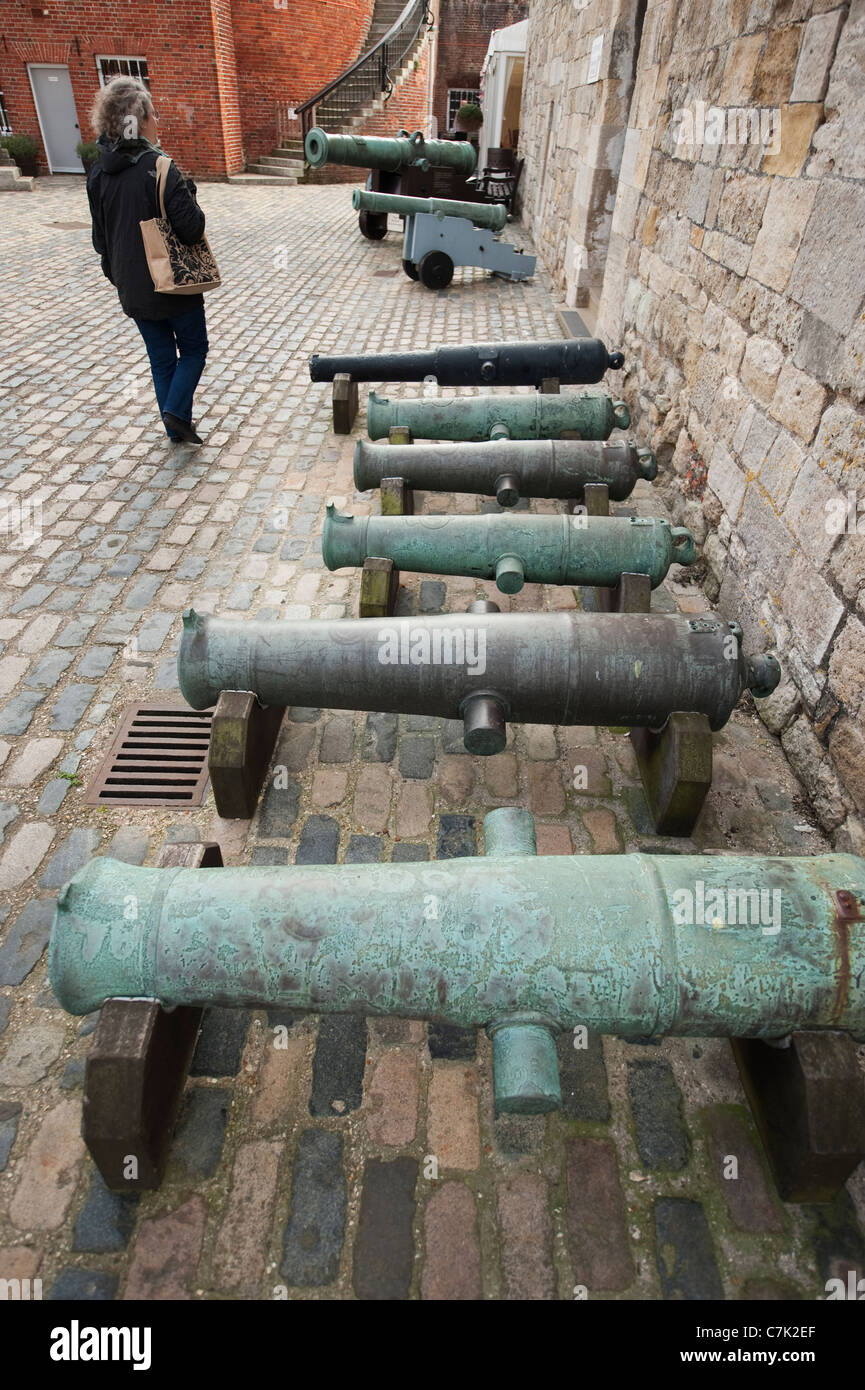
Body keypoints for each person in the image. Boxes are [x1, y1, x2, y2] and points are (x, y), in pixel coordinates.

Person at [87, 76, 209, 444]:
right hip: (173, 282)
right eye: (153, 115)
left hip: (133, 286)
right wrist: (188, 191)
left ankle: (177, 426)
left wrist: (120, 276)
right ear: (138, 120)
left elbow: (100, 240)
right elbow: (191, 229)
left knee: (161, 358)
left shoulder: (98, 174)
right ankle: (175, 414)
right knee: (194, 349)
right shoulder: (160, 167)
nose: (158, 121)